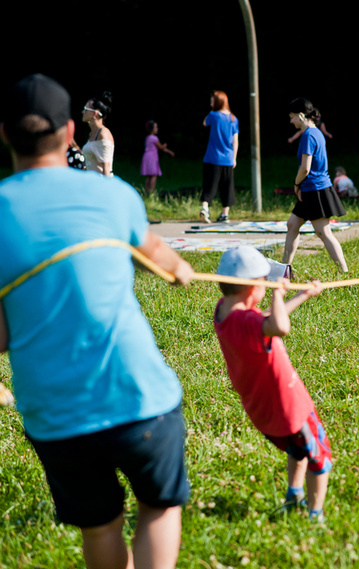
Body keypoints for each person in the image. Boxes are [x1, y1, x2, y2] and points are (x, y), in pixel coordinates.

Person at [0, 74, 195, 569]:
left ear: (5, 133)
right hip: (139, 398)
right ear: (69, 133)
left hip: (57, 415)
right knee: (157, 508)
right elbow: (166, 262)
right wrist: (181, 271)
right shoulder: (116, 197)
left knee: (100, 524)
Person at [213, 246, 331, 521]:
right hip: (289, 404)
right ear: (253, 288)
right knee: (319, 458)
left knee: (296, 448)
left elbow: (266, 321)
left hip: (262, 406)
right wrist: (278, 293)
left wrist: (302, 295)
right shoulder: (247, 320)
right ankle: (315, 516)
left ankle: (294, 495)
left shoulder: (225, 314)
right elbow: (279, 326)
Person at [282, 98, 349, 273]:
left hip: (315, 190)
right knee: (292, 225)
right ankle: (285, 270)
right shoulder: (315, 132)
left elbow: (305, 168)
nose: (291, 121)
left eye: (292, 117)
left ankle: (344, 272)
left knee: (324, 233)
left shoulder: (308, 135)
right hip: (310, 189)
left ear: (302, 116)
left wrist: (296, 184)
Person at [200, 90, 239, 223]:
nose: (210, 102)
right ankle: (224, 214)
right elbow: (235, 140)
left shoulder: (213, 115)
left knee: (209, 184)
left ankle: (205, 208)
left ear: (217, 102)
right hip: (228, 158)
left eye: (212, 100)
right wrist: (234, 158)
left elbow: (205, 123)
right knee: (227, 186)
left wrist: (212, 110)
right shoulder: (234, 119)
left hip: (212, 157)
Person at [81, 91, 114, 176]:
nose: (83, 112)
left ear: (95, 114)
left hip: (99, 184)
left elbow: (106, 170)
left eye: (86, 109)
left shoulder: (103, 134)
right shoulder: (92, 134)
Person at [141, 120, 175, 195]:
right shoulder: (154, 138)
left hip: (146, 157)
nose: (157, 129)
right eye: (156, 127)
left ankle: (146, 192)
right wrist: (164, 145)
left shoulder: (147, 138)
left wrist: (169, 151)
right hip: (152, 158)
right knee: (153, 175)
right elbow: (160, 147)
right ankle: (152, 192)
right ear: (152, 129)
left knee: (149, 175)